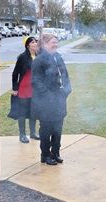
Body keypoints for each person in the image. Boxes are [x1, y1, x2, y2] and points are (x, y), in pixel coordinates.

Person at [31, 34, 72, 165]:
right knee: (46, 128)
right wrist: (49, 96)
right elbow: (35, 81)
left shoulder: (58, 57)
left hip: (59, 100)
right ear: (44, 44)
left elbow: (65, 74)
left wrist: (67, 90)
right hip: (45, 102)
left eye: (56, 42)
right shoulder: (39, 60)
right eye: (52, 42)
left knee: (57, 127)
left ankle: (56, 152)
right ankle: (45, 154)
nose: (55, 45)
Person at [11, 36, 40, 143]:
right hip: (24, 87)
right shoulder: (22, 57)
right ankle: (22, 134)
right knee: (22, 112)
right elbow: (15, 73)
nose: (35, 43)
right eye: (32, 42)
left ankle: (33, 132)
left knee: (33, 111)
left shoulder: (38, 56)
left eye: (36, 42)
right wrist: (15, 88)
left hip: (35, 88)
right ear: (27, 45)